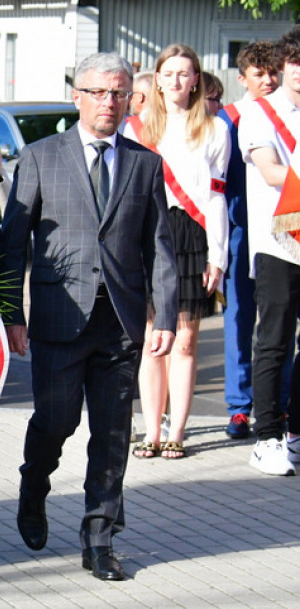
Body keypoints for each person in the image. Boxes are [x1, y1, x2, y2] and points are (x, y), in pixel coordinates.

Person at [1, 52, 177, 581]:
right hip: (59, 317)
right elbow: (13, 245)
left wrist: (164, 314)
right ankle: (34, 488)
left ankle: (99, 538)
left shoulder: (145, 163)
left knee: (113, 435)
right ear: (77, 96)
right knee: (56, 423)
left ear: (130, 99)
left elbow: (160, 247)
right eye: (98, 92)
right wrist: (12, 313)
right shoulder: (39, 158)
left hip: (120, 324)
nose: (109, 101)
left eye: (119, 92)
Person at [124, 44, 229, 460]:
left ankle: (177, 431)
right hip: (148, 234)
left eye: (185, 73)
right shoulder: (137, 129)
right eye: (168, 73)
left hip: (192, 236)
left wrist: (217, 255)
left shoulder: (215, 129)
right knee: (153, 340)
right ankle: (151, 429)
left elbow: (218, 198)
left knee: (184, 341)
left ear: (196, 80)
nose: (176, 81)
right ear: (157, 78)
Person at [239, 31, 300, 476]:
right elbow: (270, 170)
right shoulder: (259, 115)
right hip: (278, 240)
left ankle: (295, 431)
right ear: (282, 66)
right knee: (274, 340)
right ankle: (266, 436)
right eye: (294, 63)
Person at [220, 41, 282, 440]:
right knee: (240, 318)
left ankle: (281, 402)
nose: (268, 80)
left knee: (279, 322)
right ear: (242, 79)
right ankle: (240, 407)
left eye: (273, 72)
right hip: (240, 231)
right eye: (259, 74)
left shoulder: (288, 115)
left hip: (281, 230)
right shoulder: (229, 119)